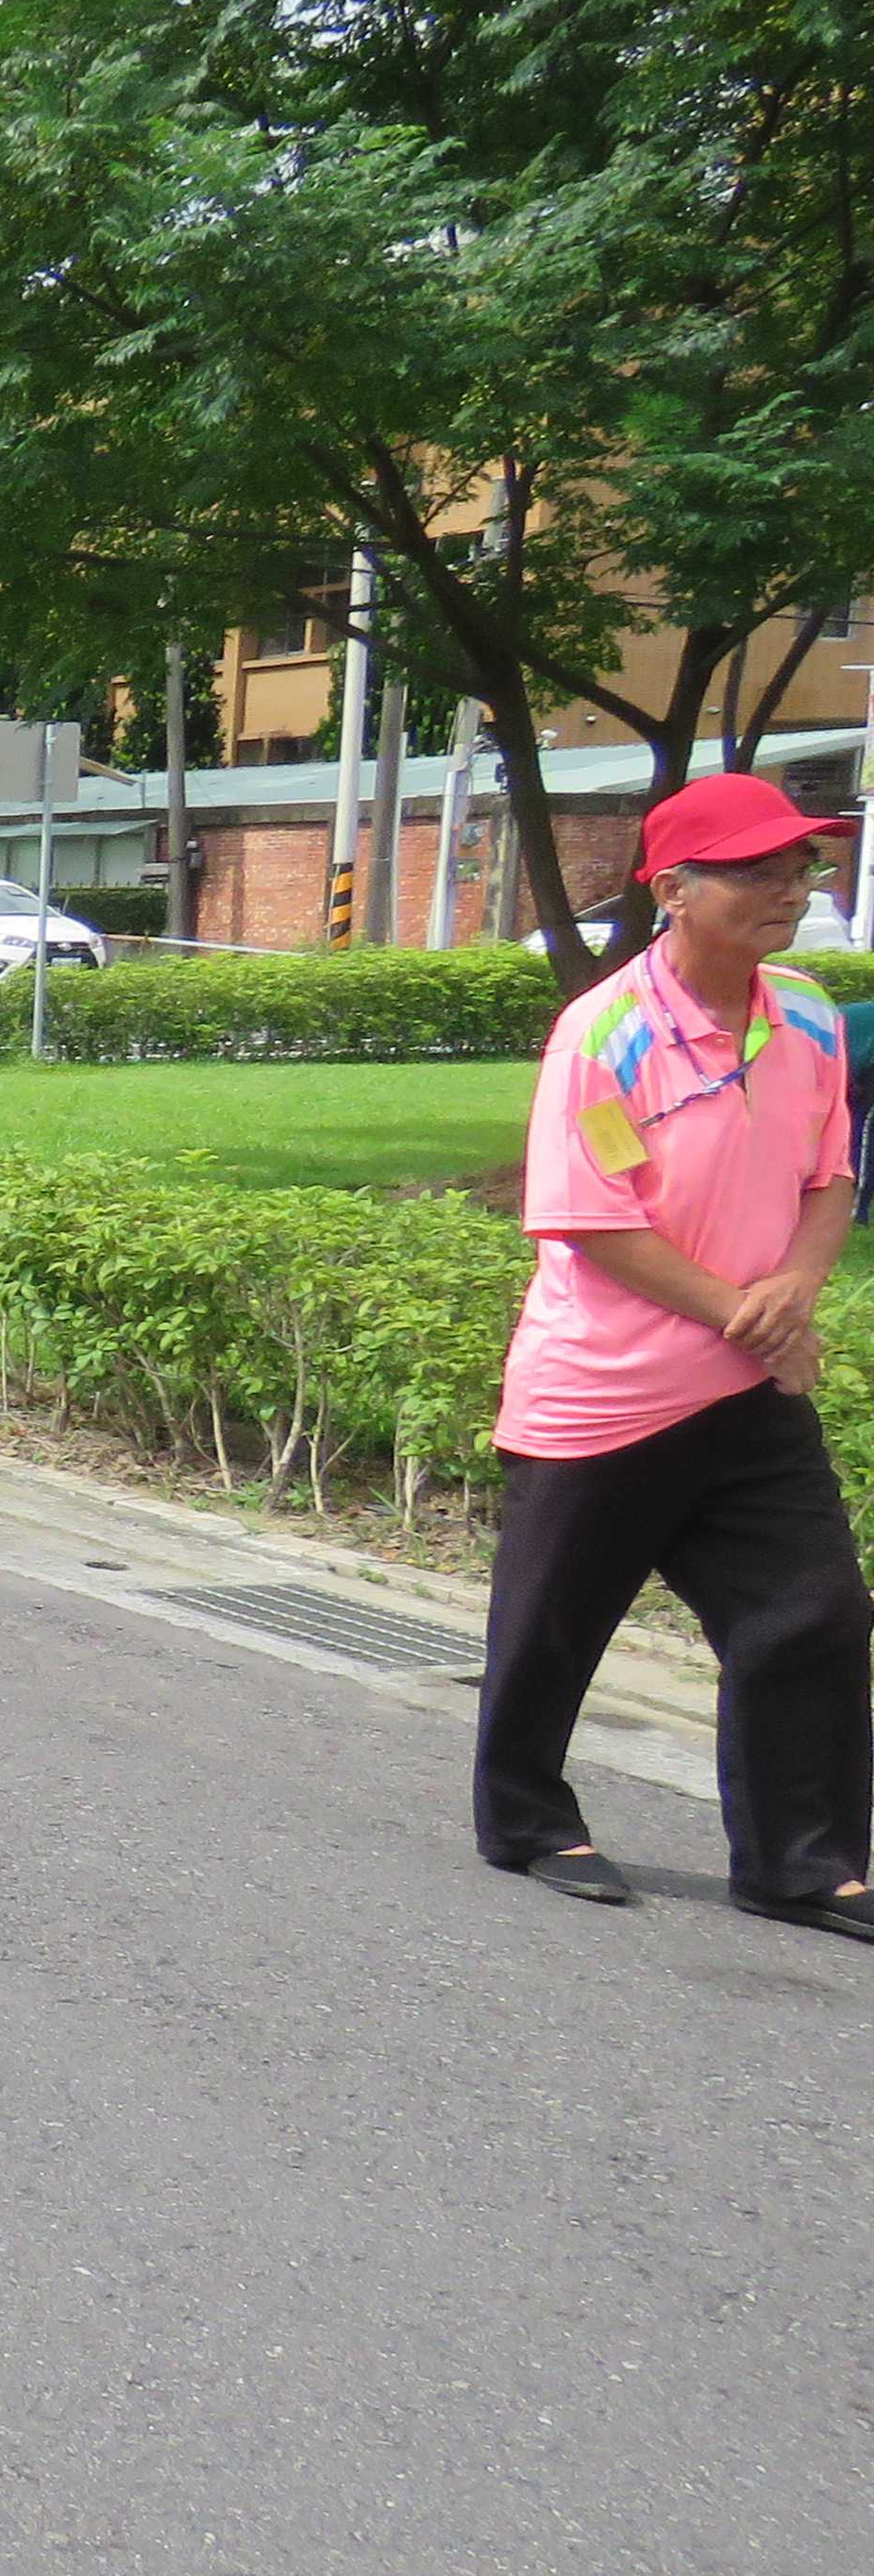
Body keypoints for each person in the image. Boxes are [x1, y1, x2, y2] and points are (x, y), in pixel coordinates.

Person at [477, 770, 874, 1939]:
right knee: (554, 1627)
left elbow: (831, 1174)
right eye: (757, 870)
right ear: (674, 890)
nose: (791, 889)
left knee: (814, 1613)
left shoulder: (802, 1015)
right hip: (607, 1390)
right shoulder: (606, 1033)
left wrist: (795, 1288)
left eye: (799, 867)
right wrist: (742, 1309)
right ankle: (527, 1818)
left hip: (751, 1392)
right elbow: (589, 1219)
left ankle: (802, 1861)